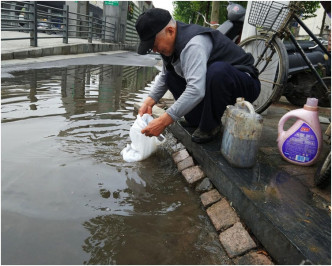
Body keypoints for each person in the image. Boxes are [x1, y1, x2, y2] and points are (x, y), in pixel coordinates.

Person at [135, 8, 260, 143]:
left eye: (154, 44)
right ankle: (197, 120)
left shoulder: (193, 44)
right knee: (171, 77)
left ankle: (211, 126)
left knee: (216, 71)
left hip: (244, 82)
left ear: (170, 31)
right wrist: (150, 100)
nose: (154, 49)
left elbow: (196, 90)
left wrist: (164, 120)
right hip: (214, 81)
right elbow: (166, 74)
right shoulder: (169, 47)